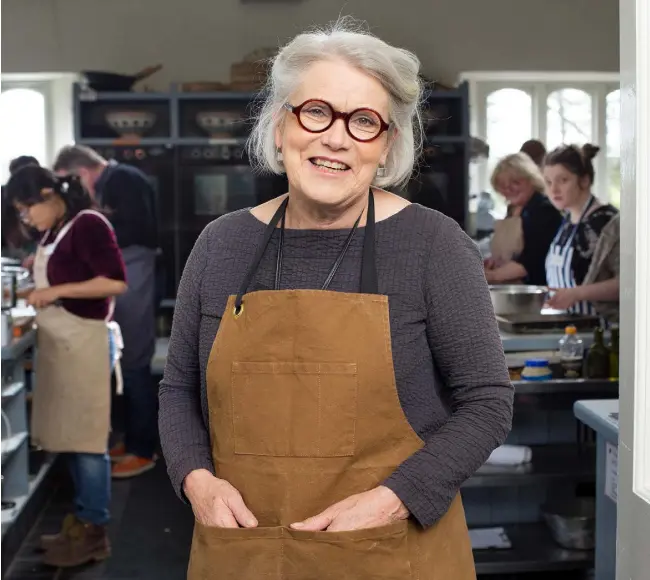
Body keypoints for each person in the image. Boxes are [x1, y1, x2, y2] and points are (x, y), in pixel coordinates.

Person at [159, 19, 513, 580]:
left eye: (364, 121)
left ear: (388, 144)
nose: (336, 137)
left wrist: (395, 499)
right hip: (244, 553)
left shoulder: (433, 246)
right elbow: (178, 388)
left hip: (389, 551)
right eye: (316, 111)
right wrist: (194, 479)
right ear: (280, 126)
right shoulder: (221, 245)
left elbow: (489, 402)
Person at [4, 165, 127, 567]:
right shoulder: (53, 231)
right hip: (63, 345)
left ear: (47, 194)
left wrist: (54, 290)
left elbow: (114, 282)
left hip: (85, 342)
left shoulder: (87, 224)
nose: (27, 219)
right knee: (73, 441)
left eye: (27, 210)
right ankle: (81, 521)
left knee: (88, 443)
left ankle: (95, 533)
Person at [53, 145, 159, 478]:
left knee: (135, 363)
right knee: (122, 365)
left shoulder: (123, 178)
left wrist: (93, 227)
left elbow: (138, 230)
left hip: (135, 271)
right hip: (127, 271)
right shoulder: (115, 180)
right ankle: (129, 441)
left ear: (81, 172)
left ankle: (143, 450)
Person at [543, 144, 619, 314]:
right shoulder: (567, 221)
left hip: (600, 329)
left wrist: (577, 293)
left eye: (563, 180)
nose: (553, 189)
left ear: (584, 180)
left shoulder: (607, 222)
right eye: (548, 182)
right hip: (569, 324)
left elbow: (628, 282)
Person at [485, 152, 563, 285]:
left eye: (515, 183)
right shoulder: (512, 210)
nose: (508, 189)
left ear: (531, 179)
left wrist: (494, 276)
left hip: (533, 292)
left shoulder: (544, 210)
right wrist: (494, 262)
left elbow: (532, 261)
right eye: (502, 185)